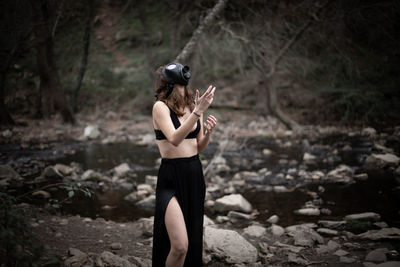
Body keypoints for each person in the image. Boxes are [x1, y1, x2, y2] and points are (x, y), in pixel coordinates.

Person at [151, 62, 217, 267]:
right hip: (171, 176)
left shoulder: (192, 106)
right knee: (180, 246)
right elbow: (174, 139)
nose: (184, 89)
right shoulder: (160, 107)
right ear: (169, 85)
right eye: (180, 85)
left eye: (184, 85)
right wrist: (198, 112)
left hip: (194, 173)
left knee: (193, 237)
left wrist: (208, 134)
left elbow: (197, 146)